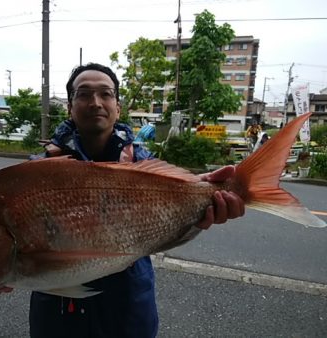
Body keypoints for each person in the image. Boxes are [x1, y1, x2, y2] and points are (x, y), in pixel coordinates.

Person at [27, 63, 245, 338]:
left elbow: (180, 200)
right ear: (70, 106)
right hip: (57, 319)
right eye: (84, 94)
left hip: (128, 312)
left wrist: (204, 201)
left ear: (118, 107)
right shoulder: (39, 172)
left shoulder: (143, 164)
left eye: (105, 94)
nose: (95, 102)